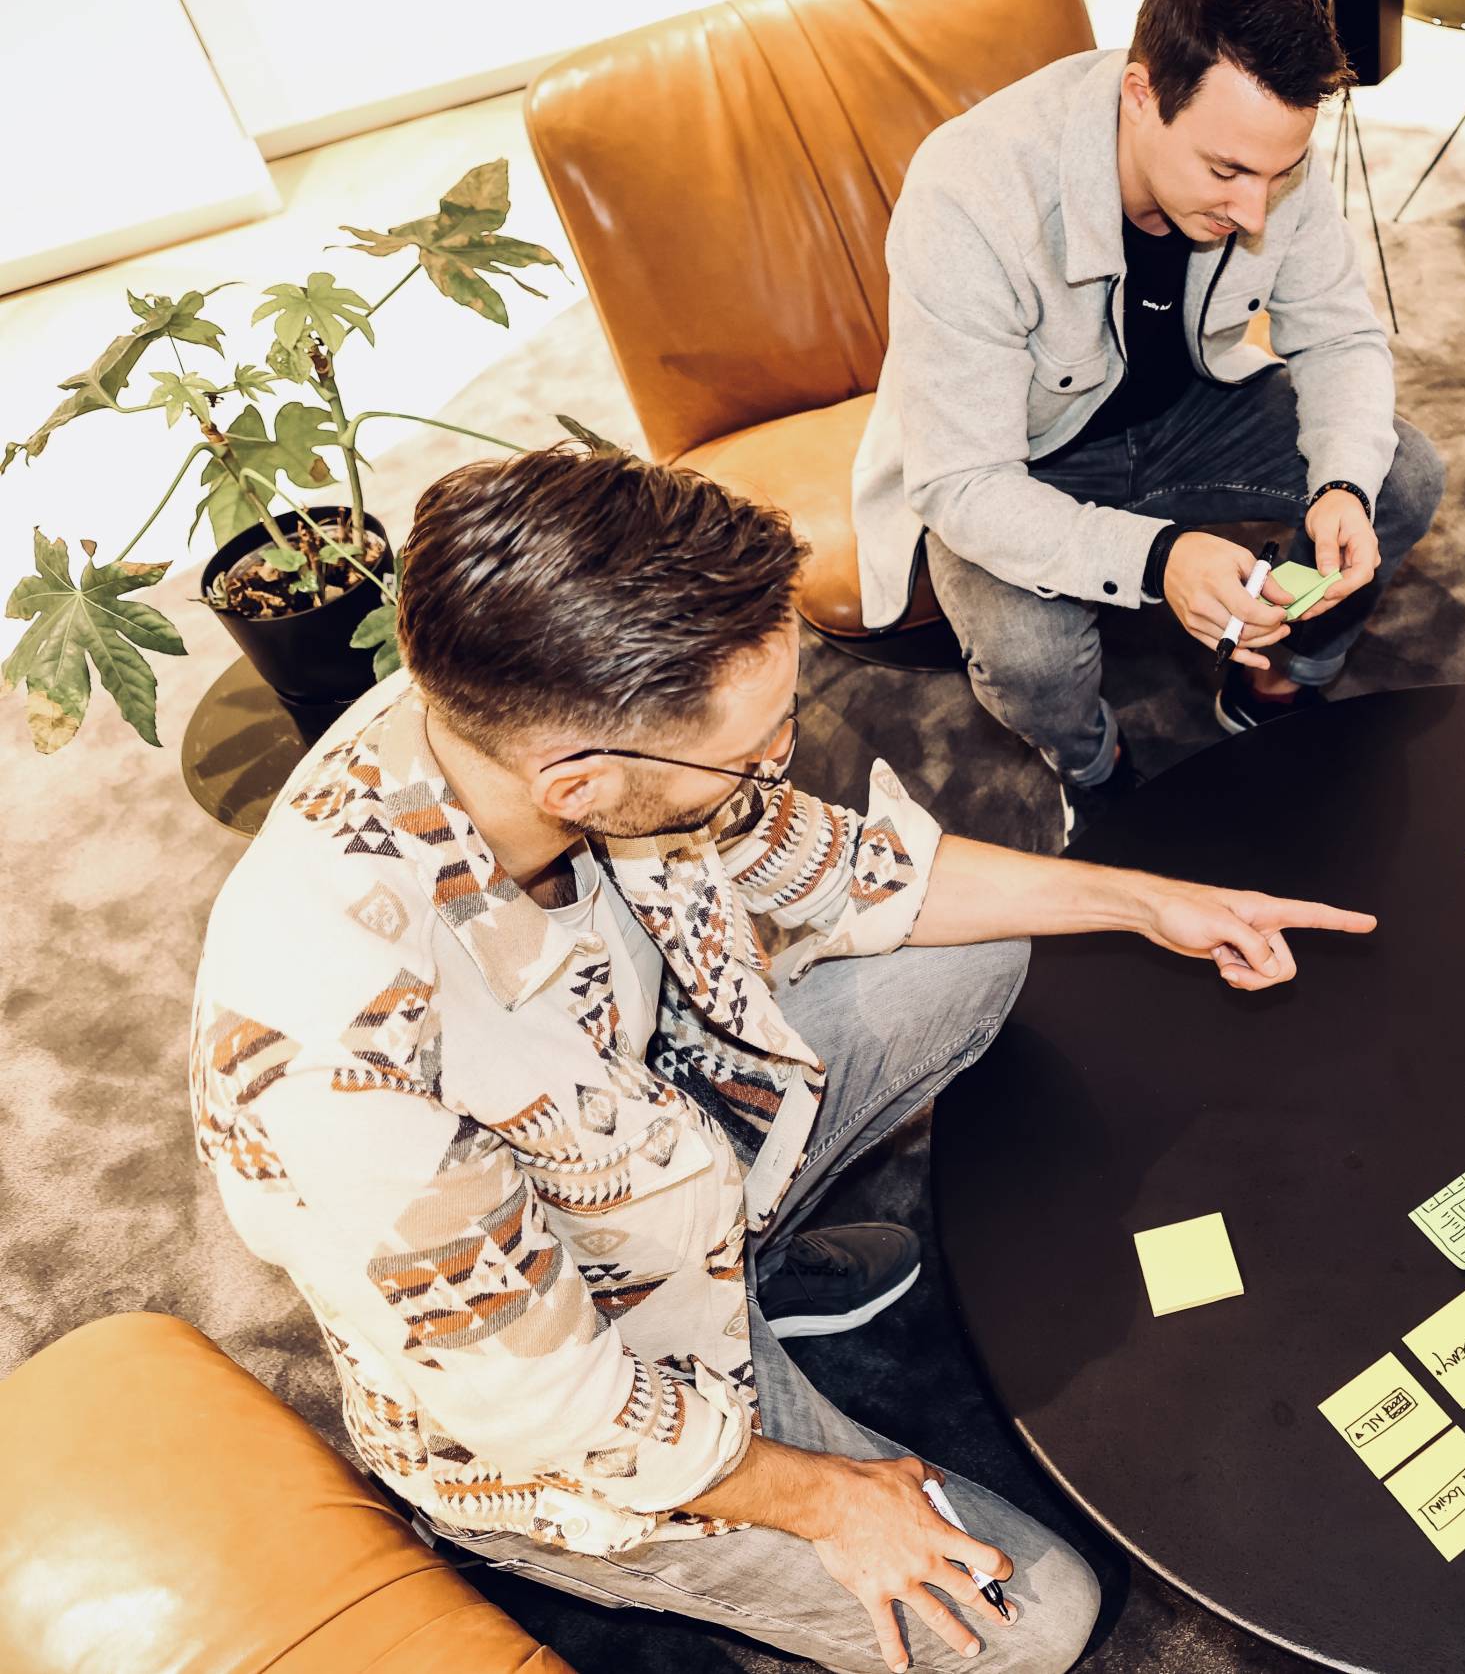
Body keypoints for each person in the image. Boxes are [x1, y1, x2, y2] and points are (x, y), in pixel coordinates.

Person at [188, 446, 1377, 1674]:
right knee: (1037, 1620)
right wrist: (829, 1499)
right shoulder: (333, 1065)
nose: (778, 763)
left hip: (647, 1150)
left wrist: (1146, 901)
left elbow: (849, 871)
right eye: (758, 749)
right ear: (582, 781)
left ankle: (750, 1264)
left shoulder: (524, 714)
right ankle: (709, 1378)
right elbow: (559, 1416)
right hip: (571, 1409)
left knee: (977, 959)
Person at [851, 0, 1446, 845]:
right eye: (1227, 171)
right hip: (1026, 459)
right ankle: (1097, 772)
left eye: (1277, 176)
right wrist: (1159, 556)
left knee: (1400, 475)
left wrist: (1343, 486)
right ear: (1141, 94)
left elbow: (1340, 339)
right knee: (1029, 658)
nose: (1254, 211)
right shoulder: (968, 193)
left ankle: (1277, 681)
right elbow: (964, 480)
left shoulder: (1267, 152)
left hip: (1190, 410)